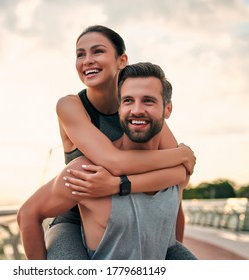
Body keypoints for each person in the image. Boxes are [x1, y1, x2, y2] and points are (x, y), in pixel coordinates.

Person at [18, 25, 196, 259]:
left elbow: (179, 177)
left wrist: (119, 185)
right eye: (80, 54)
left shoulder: (141, 114)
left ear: (122, 60)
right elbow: (115, 162)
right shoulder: (71, 106)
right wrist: (183, 154)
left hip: (126, 210)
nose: (87, 60)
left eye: (97, 52)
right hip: (74, 216)